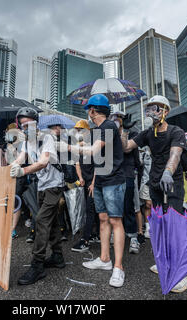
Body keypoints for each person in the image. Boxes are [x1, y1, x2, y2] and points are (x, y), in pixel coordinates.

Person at [120, 95, 187, 293]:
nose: (152, 112)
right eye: (149, 109)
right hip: (155, 184)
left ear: (165, 111)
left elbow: (176, 153)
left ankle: (182, 274)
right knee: (160, 224)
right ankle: (166, 262)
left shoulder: (176, 131)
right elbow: (126, 147)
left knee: (175, 225)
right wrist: (125, 130)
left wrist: (168, 172)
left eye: (156, 108)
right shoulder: (147, 133)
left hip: (172, 182)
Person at [59, 94, 127, 288]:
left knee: (115, 220)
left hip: (114, 180)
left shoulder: (109, 127)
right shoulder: (98, 129)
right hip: (101, 181)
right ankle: (105, 259)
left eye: (89, 109)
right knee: (103, 219)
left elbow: (92, 151)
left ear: (93, 110)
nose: (88, 113)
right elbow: (91, 151)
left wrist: (66, 146)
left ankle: (118, 267)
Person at [10, 107, 65, 286]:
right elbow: (20, 158)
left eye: (29, 123)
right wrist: (6, 168)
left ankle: (37, 265)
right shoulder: (27, 142)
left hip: (54, 185)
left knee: (41, 220)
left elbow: (43, 162)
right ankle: (57, 257)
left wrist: (23, 170)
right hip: (42, 186)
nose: (26, 127)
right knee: (53, 221)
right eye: (23, 124)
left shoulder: (47, 137)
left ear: (36, 123)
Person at [115, 111, 144, 255]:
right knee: (114, 207)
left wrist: (124, 130)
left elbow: (125, 149)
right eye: (114, 117)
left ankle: (133, 237)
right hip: (113, 174)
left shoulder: (131, 134)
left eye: (119, 117)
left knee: (129, 206)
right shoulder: (110, 133)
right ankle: (117, 234)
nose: (117, 120)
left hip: (128, 173)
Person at [71, 120, 100, 253]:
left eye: (81, 130)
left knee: (91, 209)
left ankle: (85, 240)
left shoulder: (94, 147)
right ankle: (96, 234)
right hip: (85, 182)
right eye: (77, 130)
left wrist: (93, 183)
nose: (79, 133)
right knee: (91, 209)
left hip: (94, 182)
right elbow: (77, 164)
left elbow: (97, 167)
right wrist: (81, 178)